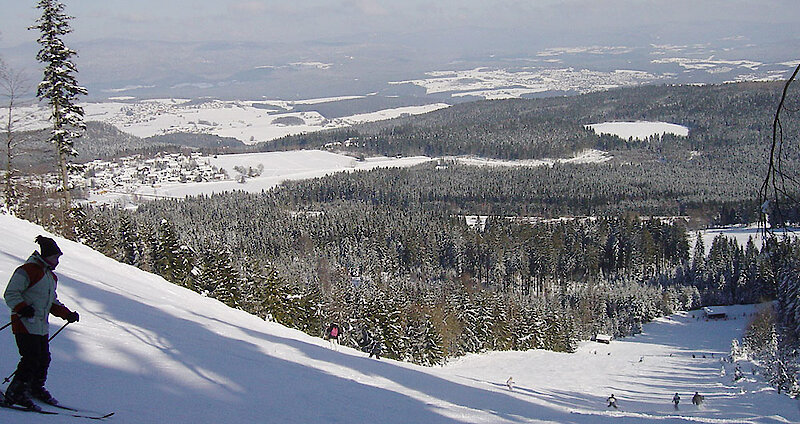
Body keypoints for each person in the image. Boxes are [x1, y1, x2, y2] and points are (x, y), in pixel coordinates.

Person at [3, 236, 79, 411]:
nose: (57, 261)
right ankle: (16, 392)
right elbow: (11, 293)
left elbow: (52, 301)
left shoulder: (50, 277)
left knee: (43, 358)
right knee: (30, 358)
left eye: (58, 258)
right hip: (24, 323)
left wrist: (67, 314)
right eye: (55, 257)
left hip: (40, 325)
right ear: (45, 256)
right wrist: (22, 308)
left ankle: (34, 387)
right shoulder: (28, 270)